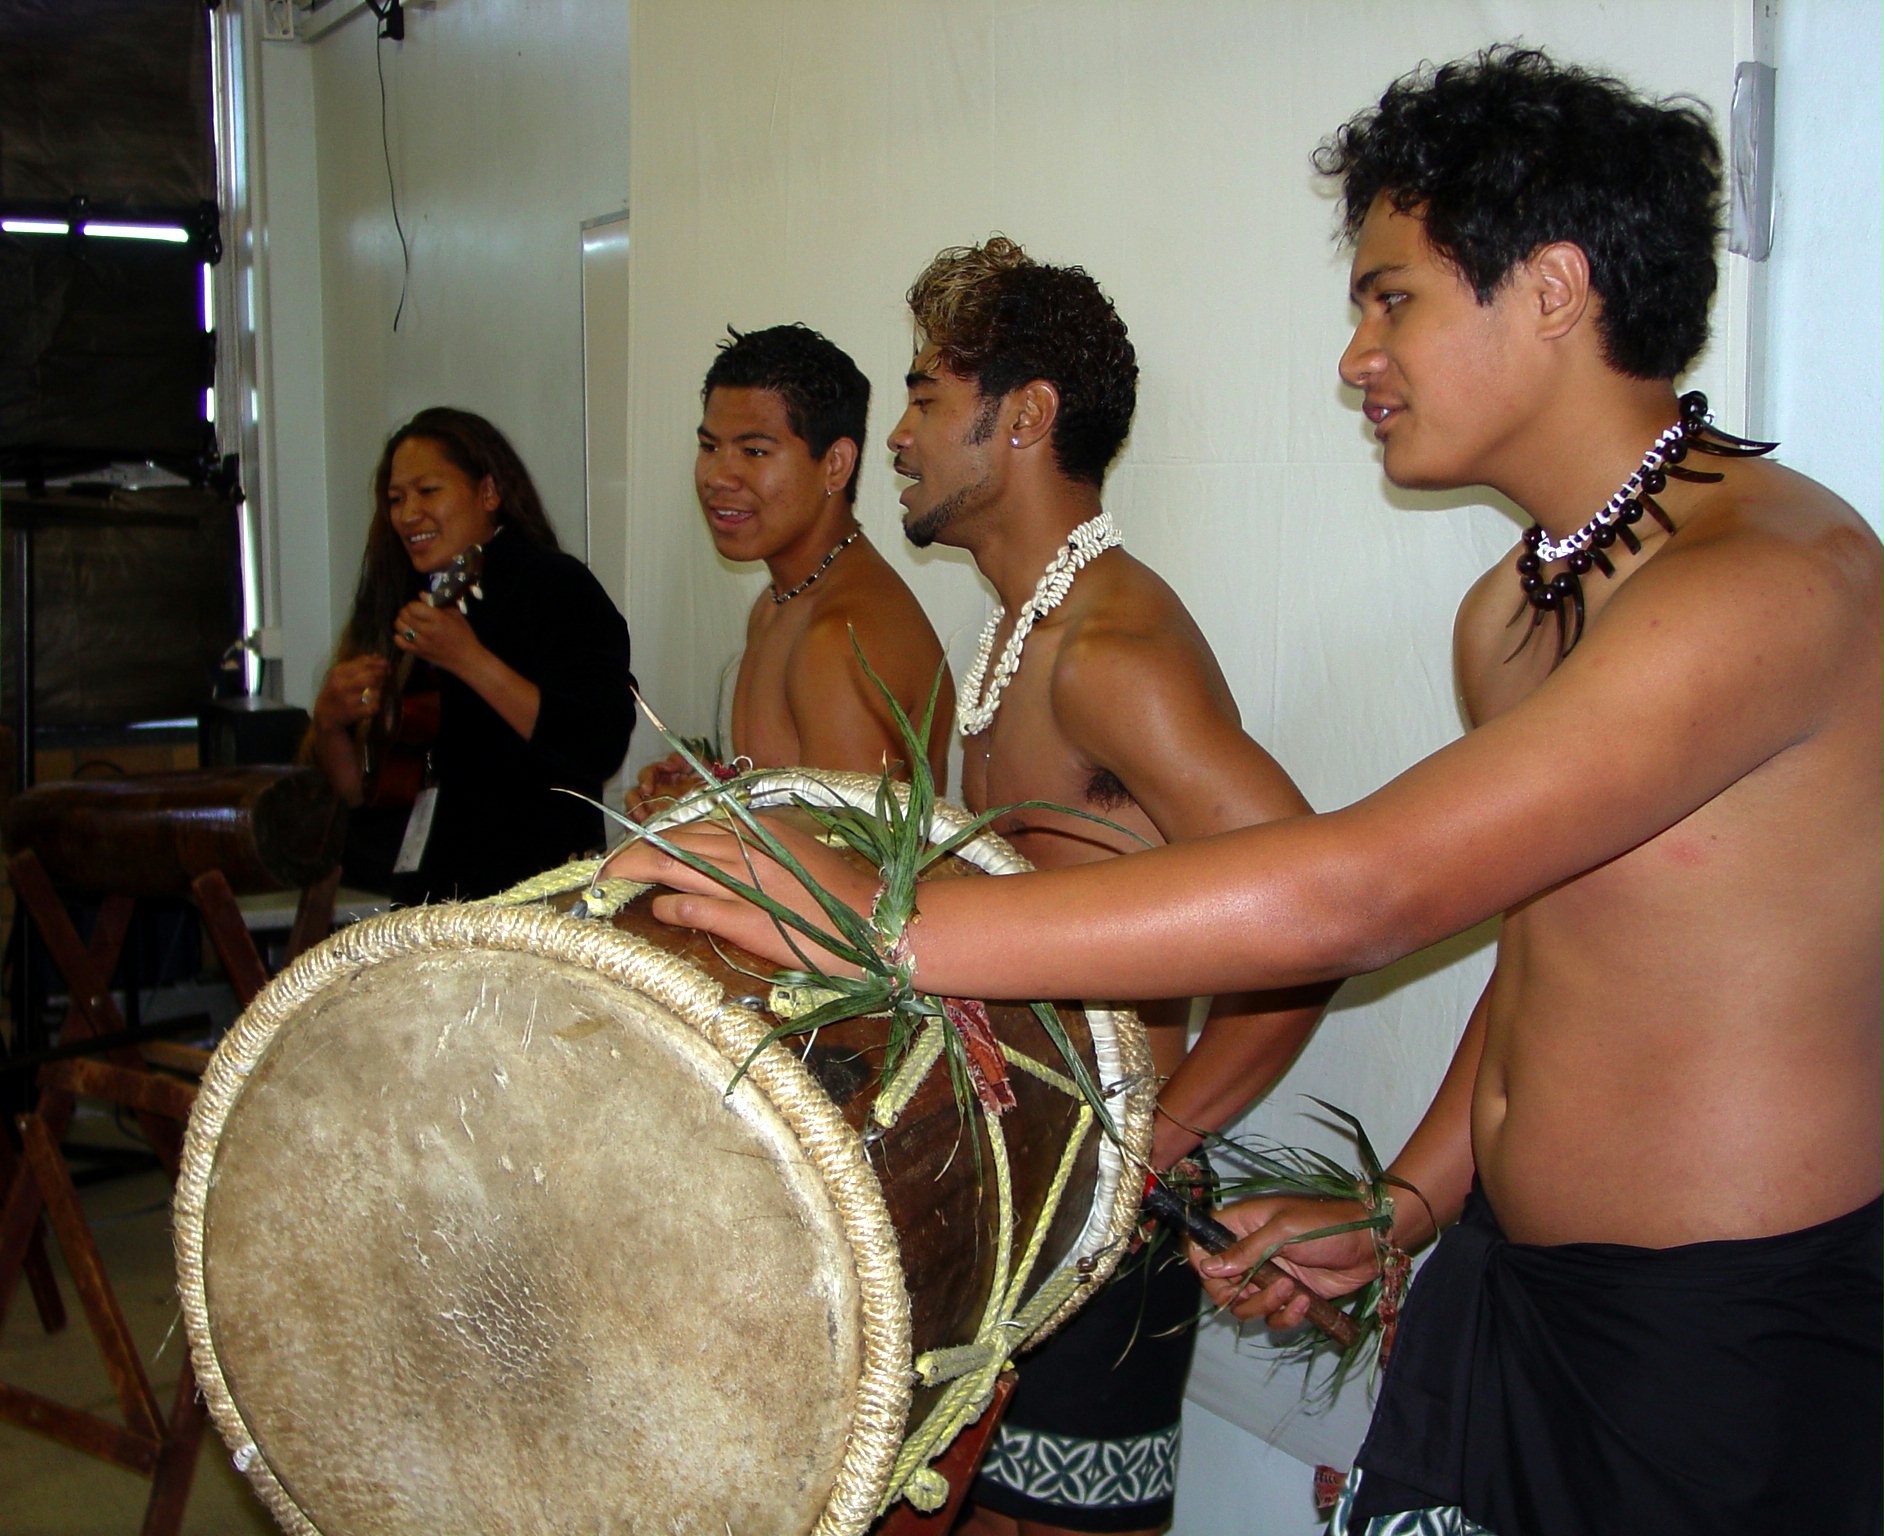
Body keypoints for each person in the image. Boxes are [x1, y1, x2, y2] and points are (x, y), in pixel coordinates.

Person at [608, 47, 1884, 1536]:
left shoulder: (1764, 585)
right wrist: (1411, 1198)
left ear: (1552, 288)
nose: (1355, 357)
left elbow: (1361, 889)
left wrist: (889, 929)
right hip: (1503, 1287)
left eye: (1390, 297)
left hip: (1720, 1337)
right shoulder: (1514, 615)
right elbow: (1554, 960)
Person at [890, 236, 1329, 1536]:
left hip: (1101, 1225)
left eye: (922, 394)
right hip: (1018, 1209)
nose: (901, 435)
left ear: (1021, 416)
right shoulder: (1018, 642)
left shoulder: (1112, 649)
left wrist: (1154, 1154)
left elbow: (1311, 913)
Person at [625, 324, 952, 818]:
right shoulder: (779, 601)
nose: (718, 477)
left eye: (754, 451)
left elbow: (856, 872)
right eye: (710, 447)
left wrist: (695, 828)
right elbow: (794, 805)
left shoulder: (839, 639)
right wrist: (709, 792)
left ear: (835, 465)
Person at [310, 406, 635, 903]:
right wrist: (330, 722)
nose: (407, 513)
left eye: (428, 491)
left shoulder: (558, 587)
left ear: (488, 492)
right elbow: (364, 793)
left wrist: (469, 659)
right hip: (428, 896)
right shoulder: (406, 599)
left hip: (535, 897)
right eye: (395, 498)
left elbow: (596, 748)